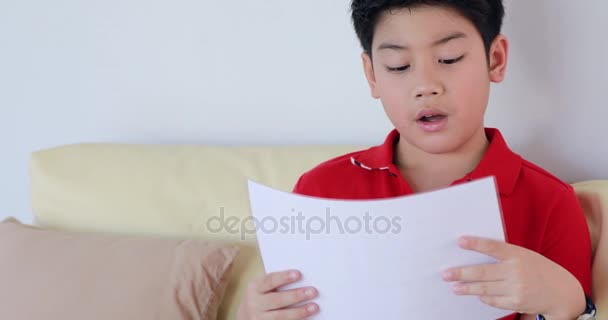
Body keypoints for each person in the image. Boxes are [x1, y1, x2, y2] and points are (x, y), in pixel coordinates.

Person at [237, 1, 595, 319]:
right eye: (398, 65)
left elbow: (563, 306)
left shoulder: (549, 201)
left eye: (449, 59)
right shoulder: (319, 190)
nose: (425, 85)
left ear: (495, 59)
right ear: (372, 75)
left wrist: (564, 303)